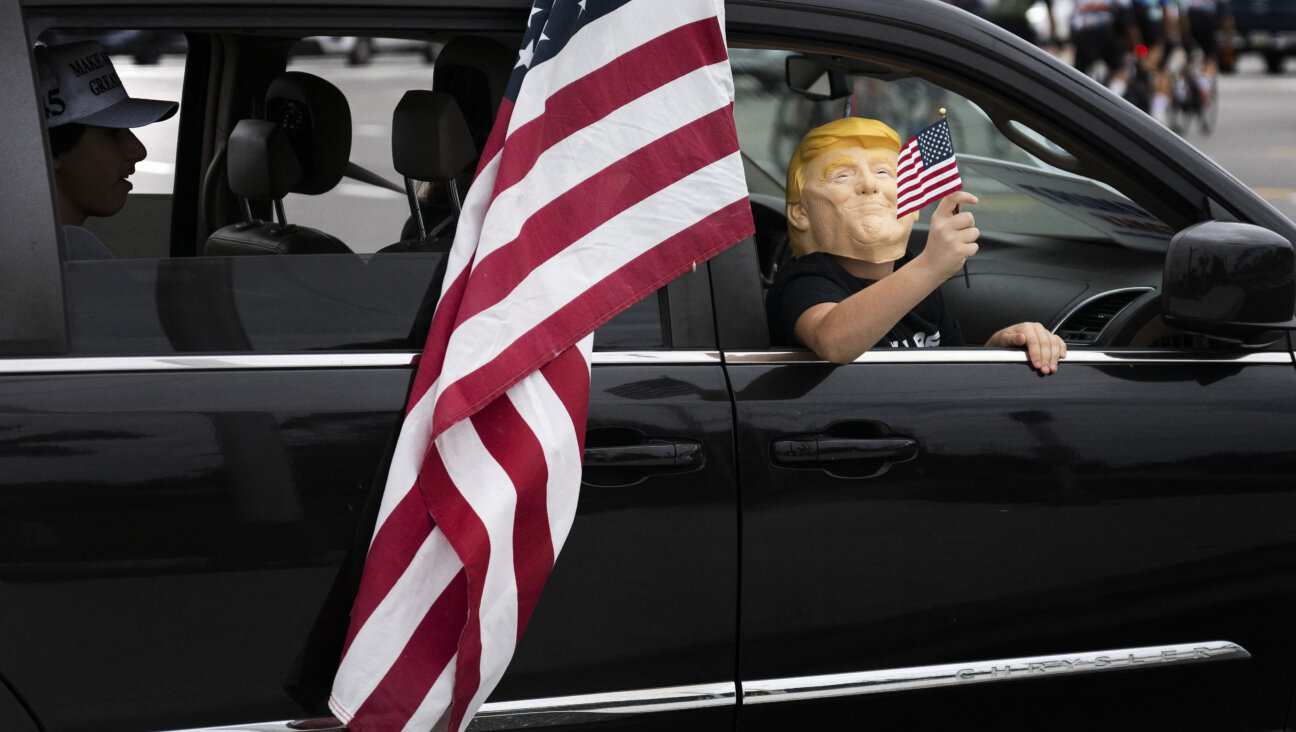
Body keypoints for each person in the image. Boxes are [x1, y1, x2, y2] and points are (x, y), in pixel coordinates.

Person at [765, 117, 1066, 375]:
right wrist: (930, 266)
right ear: (801, 212)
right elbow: (832, 340)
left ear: (913, 205)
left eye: (884, 172)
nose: (869, 185)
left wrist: (1000, 346)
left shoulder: (916, 281)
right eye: (842, 175)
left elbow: (951, 372)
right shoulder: (805, 282)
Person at [35, 40, 178, 258]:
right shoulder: (71, 259)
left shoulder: (48, 255)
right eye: (111, 133)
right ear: (48, 149)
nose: (139, 150)